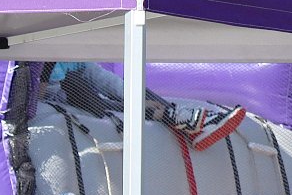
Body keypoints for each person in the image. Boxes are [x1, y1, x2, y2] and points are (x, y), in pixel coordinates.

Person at [45, 61, 245, 152]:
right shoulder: (41, 54)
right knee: (80, 87)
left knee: (127, 90)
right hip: (59, 95)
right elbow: (45, 91)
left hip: (72, 85)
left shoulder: (67, 53)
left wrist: (138, 98)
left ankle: (183, 117)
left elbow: (102, 79)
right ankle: (170, 116)